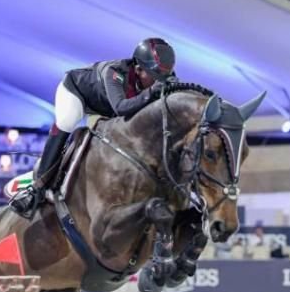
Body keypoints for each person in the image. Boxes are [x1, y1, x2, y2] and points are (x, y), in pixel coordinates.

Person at [10, 38, 176, 217]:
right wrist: (152, 93)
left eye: (162, 77)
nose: (158, 82)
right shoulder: (115, 72)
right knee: (67, 122)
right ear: (137, 69)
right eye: (153, 76)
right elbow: (121, 108)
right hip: (77, 94)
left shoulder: (158, 77)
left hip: (104, 110)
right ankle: (37, 187)